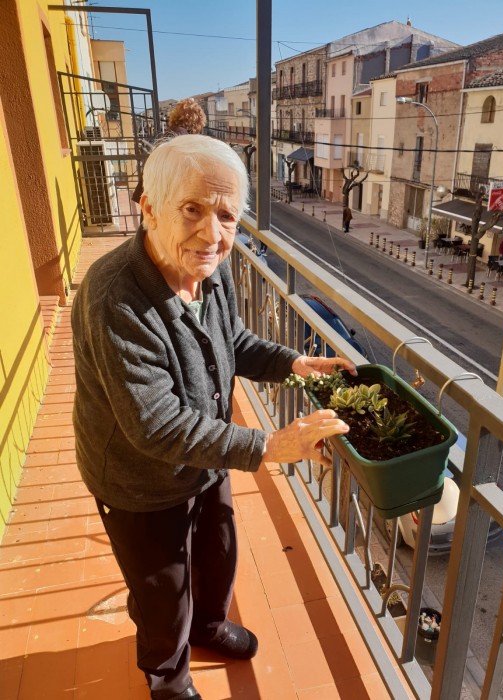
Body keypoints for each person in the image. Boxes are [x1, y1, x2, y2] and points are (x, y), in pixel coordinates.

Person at [72, 134, 356, 700]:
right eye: (192, 210)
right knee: (162, 594)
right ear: (149, 208)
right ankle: (168, 680)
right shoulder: (115, 299)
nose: (212, 233)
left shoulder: (211, 267)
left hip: (203, 461)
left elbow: (231, 341)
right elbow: (155, 424)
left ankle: (207, 626)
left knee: (217, 555)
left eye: (227, 215)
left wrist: (293, 363)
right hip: (137, 481)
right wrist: (267, 446)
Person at [132, 97, 207, 206]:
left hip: (152, 200)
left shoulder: (169, 135)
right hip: (162, 205)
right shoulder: (181, 140)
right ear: (196, 122)